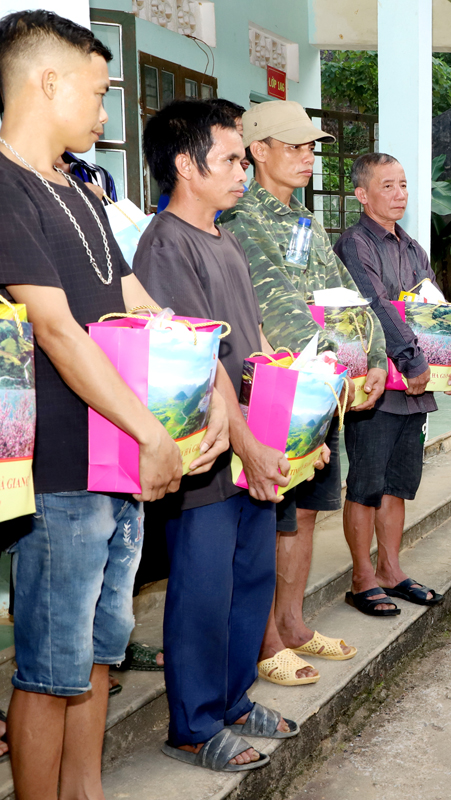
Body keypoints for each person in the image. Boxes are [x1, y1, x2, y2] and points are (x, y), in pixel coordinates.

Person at [0, 11, 227, 796]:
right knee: (49, 667)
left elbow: (135, 304)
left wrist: (208, 389)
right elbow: (59, 332)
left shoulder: (82, 187)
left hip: (119, 459)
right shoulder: (4, 186)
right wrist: (153, 436)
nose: (105, 115)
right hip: (61, 465)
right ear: (48, 82)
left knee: (100, 649)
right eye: (97, 94)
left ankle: (85, 790)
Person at [137, 98, 300, 771]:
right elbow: (197, 359)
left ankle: (233, 700)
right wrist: (246, 439)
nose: (242, 170)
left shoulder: (224, 238)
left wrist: (290, 406)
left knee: (249, 578)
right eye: (231, 158)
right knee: (203, 589)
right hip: (206, 450)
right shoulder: (165, 244)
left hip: (248, 444)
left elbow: (251, 342)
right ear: (185, 164)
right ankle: (194, 724)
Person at [220, 99, 389, 683]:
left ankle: (292, 623)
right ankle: (265, 641)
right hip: (278, 392)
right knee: (275, 517)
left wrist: (376, 357)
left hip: (320, 391)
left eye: (310, 147)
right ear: (257, 151)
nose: (306, 157)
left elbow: (348, 299)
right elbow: (281, 310)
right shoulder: (243, 218)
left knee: (310, 508)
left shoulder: (306, 222)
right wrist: (340, 367)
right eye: (293, 146)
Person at [333, 152, 451, 613]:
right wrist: (414, 360)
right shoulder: (355, 244)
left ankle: (391, 570)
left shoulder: (412, 248)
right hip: (378, 385)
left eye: (404, 185)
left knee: (398, 484)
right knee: (366, 484)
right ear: (362, 194)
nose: (399, 194)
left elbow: (437, 308)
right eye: (388, 185)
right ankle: (361, 578)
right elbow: (374, 306)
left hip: (416, 387)